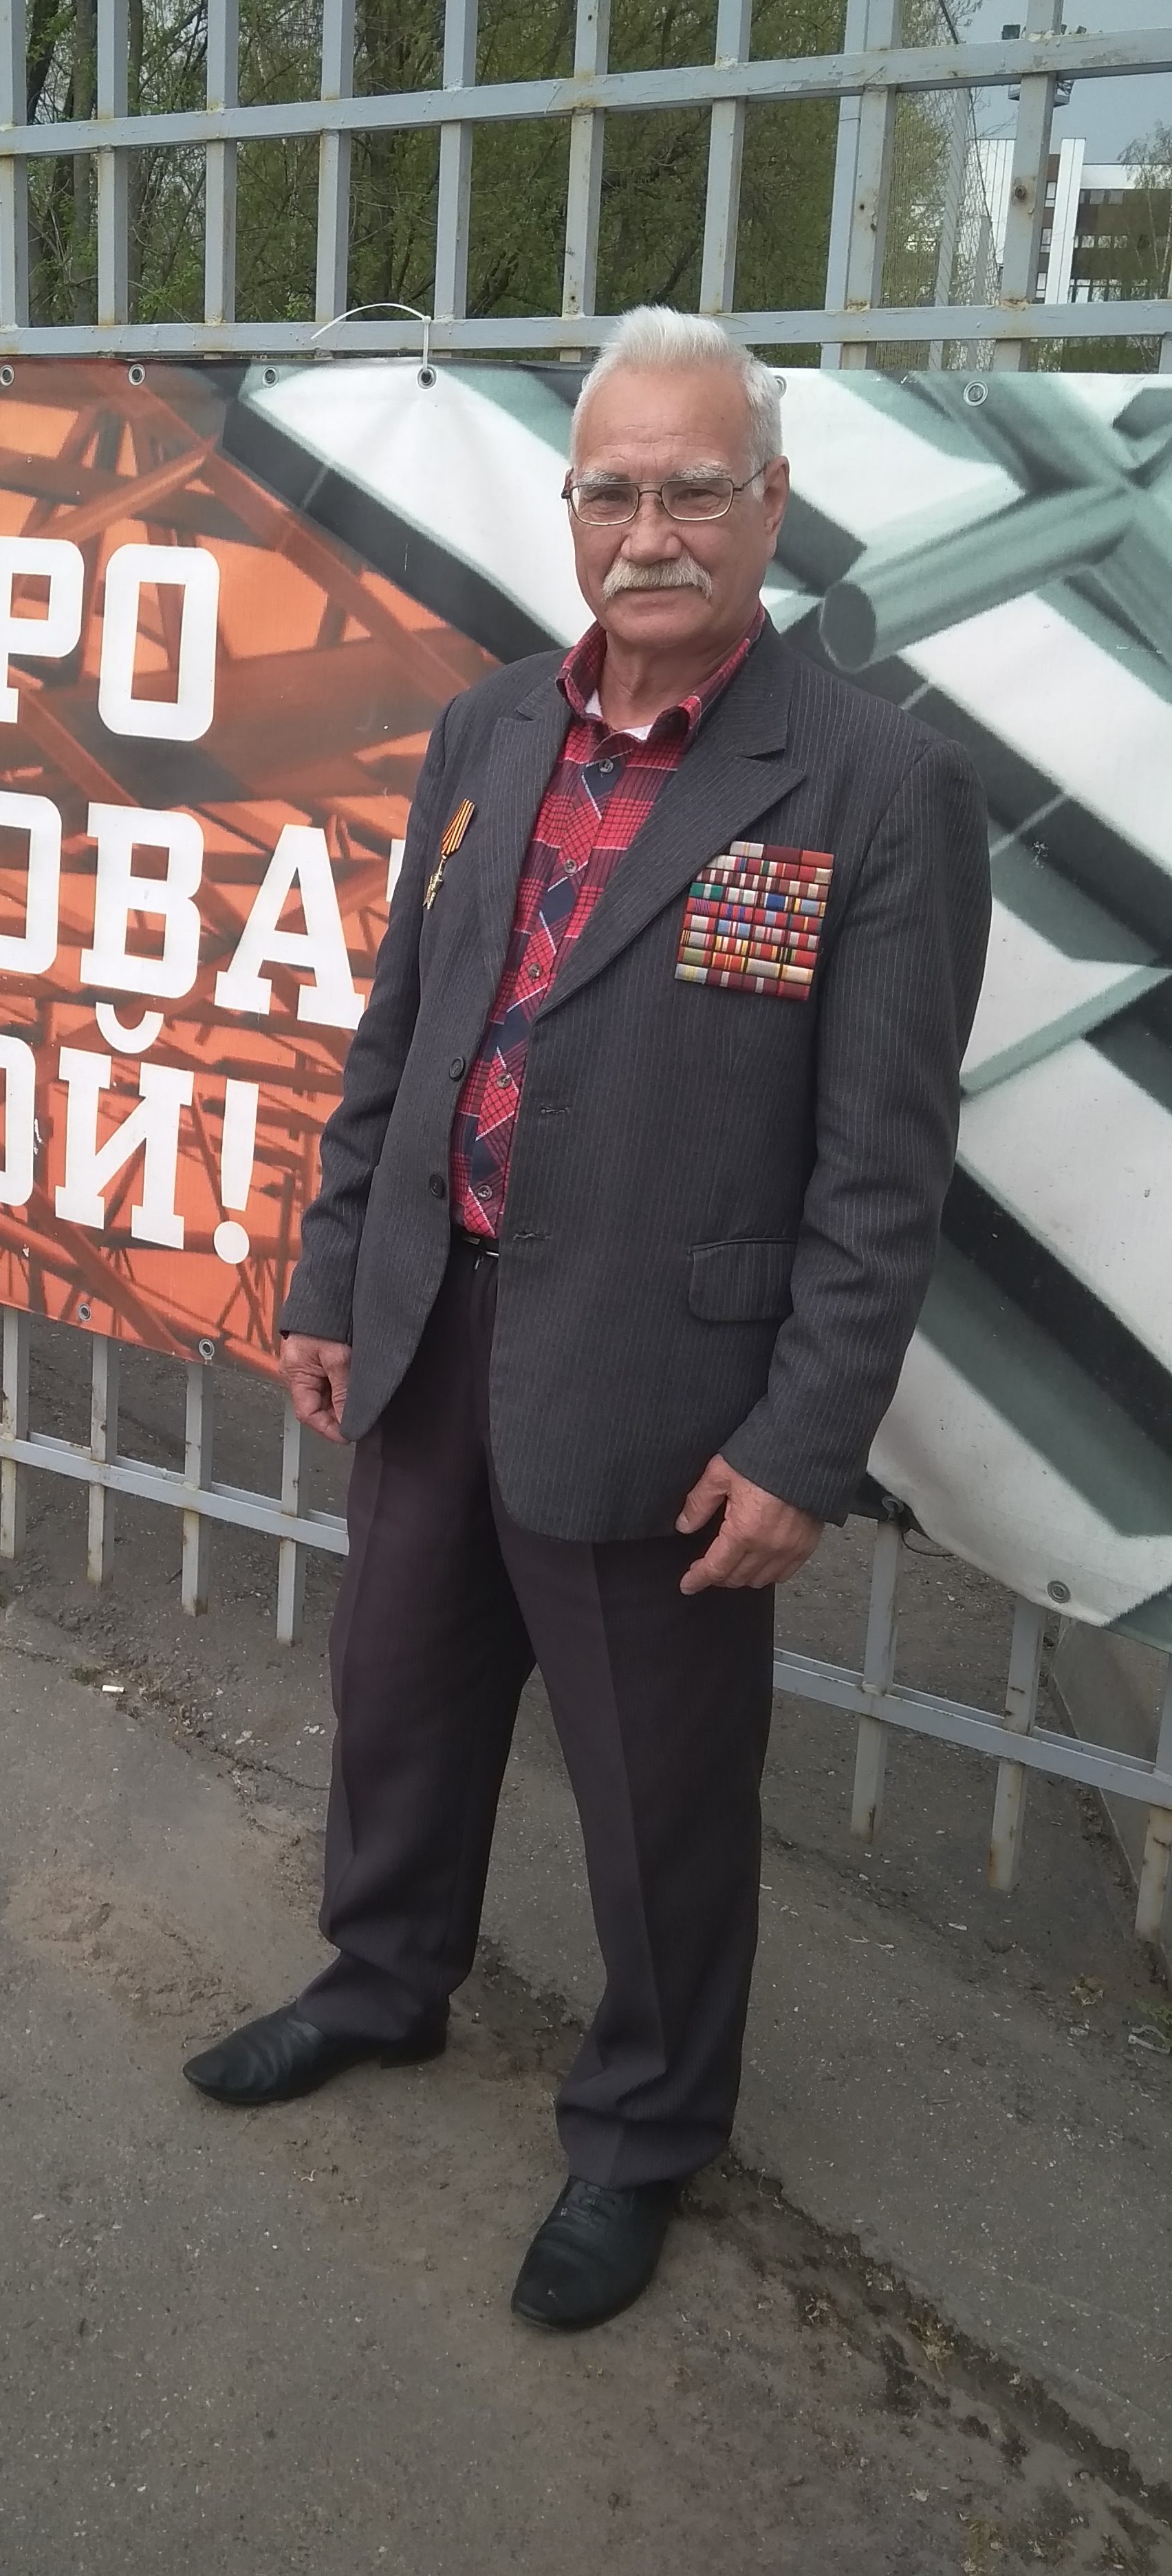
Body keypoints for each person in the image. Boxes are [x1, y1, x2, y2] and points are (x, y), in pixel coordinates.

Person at [184, 305, 991, 2333]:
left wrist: (803, 1443)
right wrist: (330, 1271)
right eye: (612, 489)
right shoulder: (486, 733)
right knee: (398, 1705)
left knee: (656, 1799)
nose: (650, 531)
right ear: (570, 509)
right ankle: (385, 1981)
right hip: (431, 1331)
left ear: (770, 504)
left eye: (693, 489)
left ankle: (641, 2132)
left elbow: (883, 1174)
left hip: (664, 1387)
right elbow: (401, 1035)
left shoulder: (878, 787)